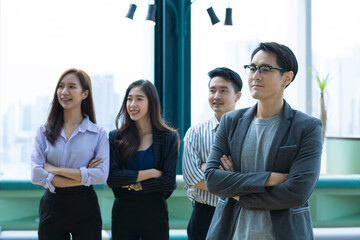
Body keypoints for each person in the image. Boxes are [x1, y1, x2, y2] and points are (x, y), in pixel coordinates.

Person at [205, 42, 322, 240]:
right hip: (232, 233)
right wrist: (269, 178)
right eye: (252, 68)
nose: (255, 76)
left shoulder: (307, 127)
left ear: (287, 77)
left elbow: (297, 192)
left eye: (265, 69)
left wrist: (238, 193)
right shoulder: (231, 121)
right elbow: (213, 180)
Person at [30, 68, 109, 240]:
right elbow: (36, 174)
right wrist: (84, 174)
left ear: (85, 94)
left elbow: (101, 176)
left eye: (71, 87)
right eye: (61, 86)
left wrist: (54, 170)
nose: (64, 92)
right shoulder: (43, 131)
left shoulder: (98, 134)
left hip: (86, 208)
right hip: (52, 207)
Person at [107, 80, 179, 240]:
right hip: (123, 213)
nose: (132, 104)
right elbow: (112, 178)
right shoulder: (116, 137)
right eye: (129, 99)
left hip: (155, 213)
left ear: (151, 103)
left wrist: (132, 185)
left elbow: (168, 181)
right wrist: (151, 173)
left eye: (139, 99)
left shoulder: (168, 137)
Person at [182, 67, 242, 240]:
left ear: (237, 96)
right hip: (204, 215)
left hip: (238, 212)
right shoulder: (195, 132)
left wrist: (208, 169)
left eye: (223, 91)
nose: (216, 96)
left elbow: (250, 174)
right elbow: (192, 178)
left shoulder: (248, 132)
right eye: (212, 90)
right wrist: (232, 179)